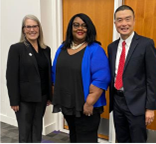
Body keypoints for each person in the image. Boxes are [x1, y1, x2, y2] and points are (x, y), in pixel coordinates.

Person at [52, 13, 110, 144]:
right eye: (76, 25)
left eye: (84, 26)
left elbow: (101, 78)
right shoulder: (62, 48)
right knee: (74, 136)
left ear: (89, 29)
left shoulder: (95, 49)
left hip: (86, 106)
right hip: (68, 105)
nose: (80, 28)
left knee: (86, 139)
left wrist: (89, 103)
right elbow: (55, 72)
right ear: (70, 28)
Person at [108, 5, 156, 144]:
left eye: (127, 19)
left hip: (137, 104)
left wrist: (150, 108)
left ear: (134, 21)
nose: (124, 24)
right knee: (122, 138)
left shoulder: (146, 44)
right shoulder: (111, 47)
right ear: (115, 23)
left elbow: (152, 78)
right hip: (117, 101)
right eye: (119, 20)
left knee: (138, 140)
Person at [6, 15, 52, 144]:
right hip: (23, 100)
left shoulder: (46, 49)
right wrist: (14, 100)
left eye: (35, 26)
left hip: (41, 97)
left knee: (37, 129)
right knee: (25, 132)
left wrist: (49, 95)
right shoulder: (17, 49)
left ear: (39, 28)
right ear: (23, 30)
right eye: (28, 27)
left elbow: (47, 73)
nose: (32, 30)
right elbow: (11, 76)